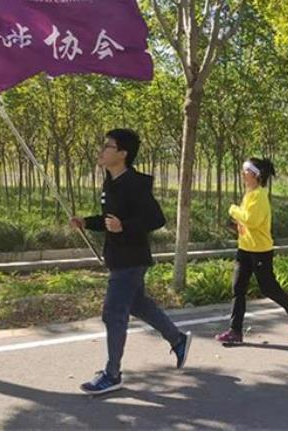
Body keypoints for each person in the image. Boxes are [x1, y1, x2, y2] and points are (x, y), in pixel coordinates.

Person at [70, 129, 191, 395]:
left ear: (123, 154)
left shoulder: (135, 183)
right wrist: (87, 222)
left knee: (113, 313)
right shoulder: (110, 182)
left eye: (108, 146)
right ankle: (177, 338)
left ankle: (112, 374)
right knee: (139, 305)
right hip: (118, 256)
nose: (102, 150)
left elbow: (157, 220)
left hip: (131, 259)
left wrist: (124, 226)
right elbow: (109, 221)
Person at [215, 158, 288, 344]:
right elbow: (247, 223)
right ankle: (235, 331)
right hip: (244, 249)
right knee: (238, 288)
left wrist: (233, 210)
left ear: (255, 175)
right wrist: (235, 226)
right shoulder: (249, 194)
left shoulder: (260, 196)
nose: (242, 173)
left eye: (245, 170)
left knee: (268, 288)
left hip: (261, 251)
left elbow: (252, 220)